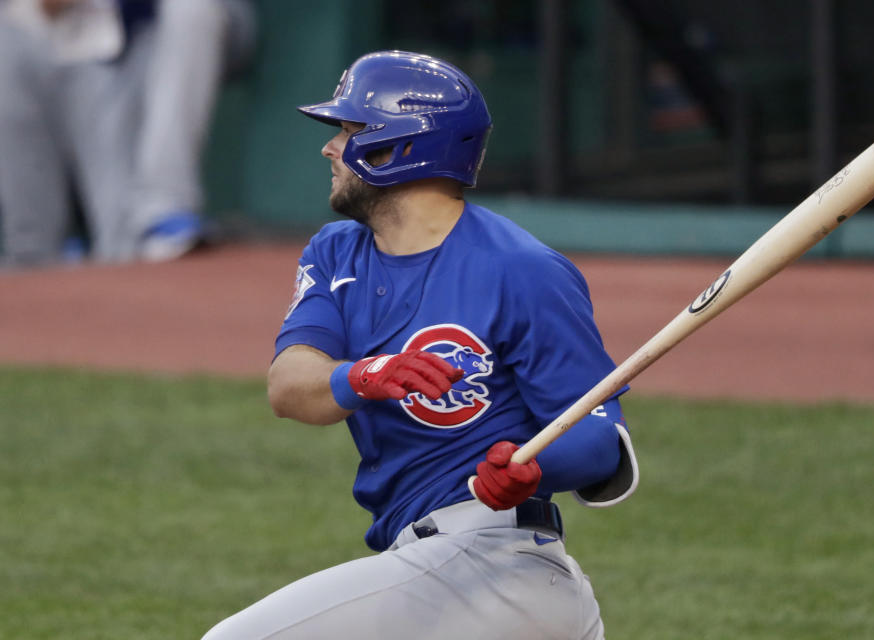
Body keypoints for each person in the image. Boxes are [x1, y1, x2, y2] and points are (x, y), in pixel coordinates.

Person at [202, 50, 639, 640]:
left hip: (499, 568)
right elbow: (288, 387)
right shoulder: (337, 253)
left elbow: (599, 442)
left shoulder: (523, 269)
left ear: (397, 147)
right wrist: (361, 376)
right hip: (433, 575)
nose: (329, 149)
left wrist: (533, 468)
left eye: (350, 131)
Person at [0, 0, 255, 267]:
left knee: (190, 7)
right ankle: (35, 255)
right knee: (116, 235)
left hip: (162, 23)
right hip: (95, 41)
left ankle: (163, 209)